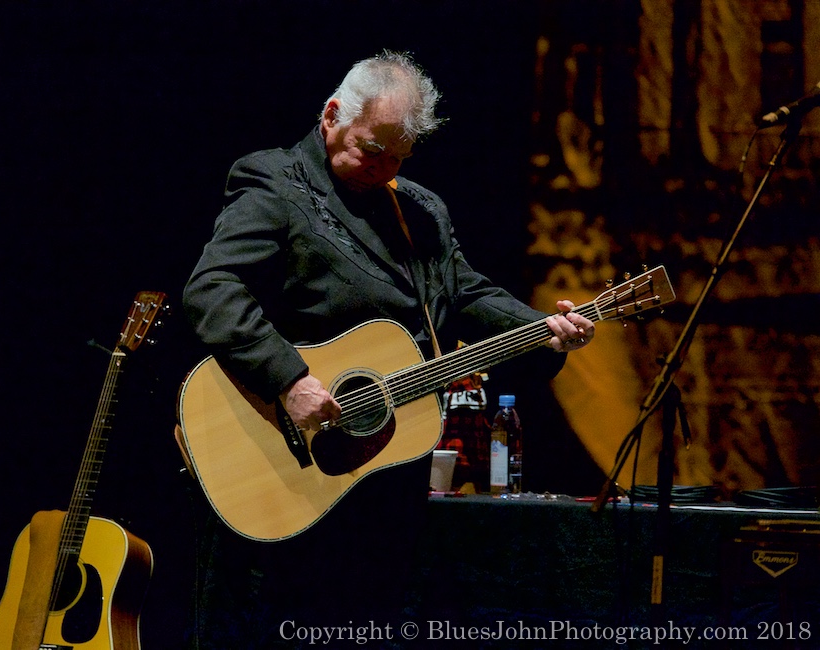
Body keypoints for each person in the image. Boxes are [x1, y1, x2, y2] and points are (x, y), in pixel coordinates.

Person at [181, 51, 594, 648]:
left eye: (398, 157)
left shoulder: (422, 211)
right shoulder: (275, 182)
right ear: (331, 115)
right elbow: (212, 287)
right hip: (276, 459)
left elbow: (465, 292)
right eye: (371, 151)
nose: (383, 169)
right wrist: (289, 380)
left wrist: (543, 328)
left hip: (381, 474)